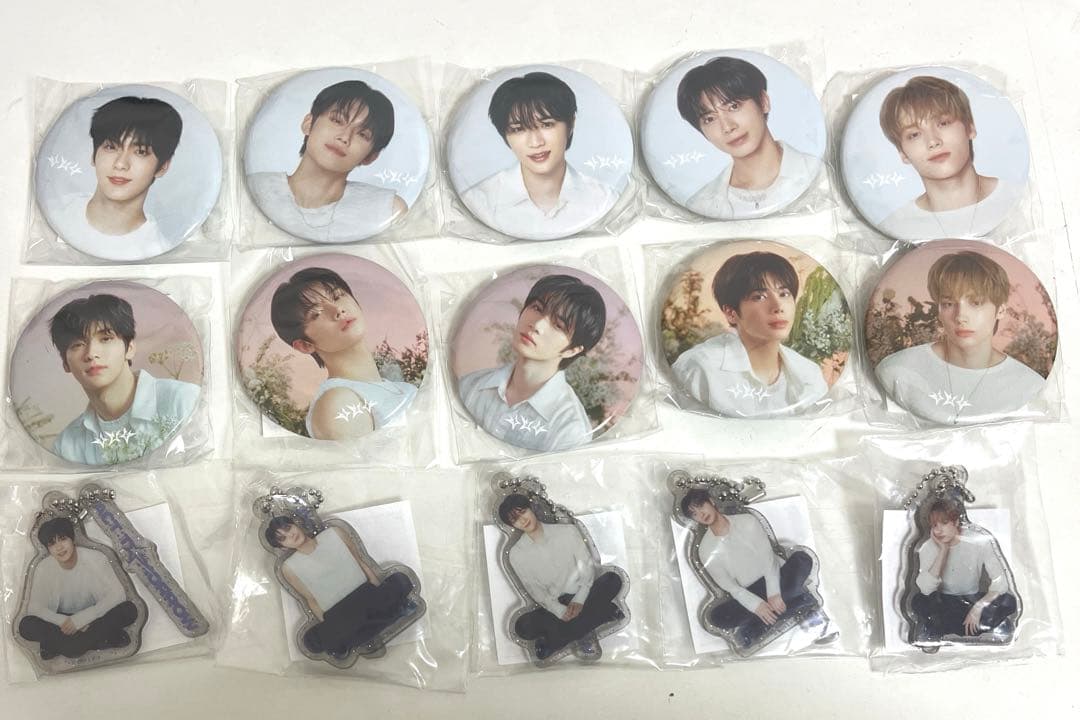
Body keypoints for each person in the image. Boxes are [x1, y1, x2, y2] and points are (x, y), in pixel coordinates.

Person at [874, 251, 1045, 424]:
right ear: (939, 310)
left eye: (976, 303)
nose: (960, 316)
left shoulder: (1029, 385)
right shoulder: (897, 371)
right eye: (949, 304)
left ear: (1000, 310)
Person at [461, 71, 618, 239]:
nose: (536, 142)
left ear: (571, 124)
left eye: (546, 125)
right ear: (504, 135)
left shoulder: (603, 198)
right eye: (518, 129)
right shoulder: (480, 200)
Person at [457, 274, 605, 451]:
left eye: (558, 325)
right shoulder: (471, 385)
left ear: (572, 350)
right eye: (537, 308)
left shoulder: (570, 430)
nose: (537, 325)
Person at [48, 293, 201, 465]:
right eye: (77, 345)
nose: (91, 354)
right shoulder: (67, 445)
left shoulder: (184, 401)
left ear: (129, 348)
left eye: (105, 339)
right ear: (65, 363)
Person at [671, 251, 828, 417]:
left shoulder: (809, 373)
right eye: (759, 297)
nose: (778, 306)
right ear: (731, 313)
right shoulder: (700, 368)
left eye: (784, 294)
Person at [247, 80, 407, 242]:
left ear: (371, 156)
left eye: (362, 134)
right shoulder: (255, 188)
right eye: (337, 120)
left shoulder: (387, 209)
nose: (344, 137)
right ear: (308, 124)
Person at [270, 266, 418, 440]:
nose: (337, 310)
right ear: (304, 345)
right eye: (316, 313)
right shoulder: (338, 403)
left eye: (337, 296)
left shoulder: (399, 388)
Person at [877, 75, 1021, 240]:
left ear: (970, 128)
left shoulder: (1019, 200)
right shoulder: (895, 228)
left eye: (943, 123)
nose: (933, 142)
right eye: (914, 134)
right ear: (902, 153)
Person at [675, 56, 820, 219]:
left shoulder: (820, 175)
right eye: (709, 119)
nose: (727, 127)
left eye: (734, 106)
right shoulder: (700, 205)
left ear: (763, 102)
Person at [680, 489, 816, 648]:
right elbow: (730, 587)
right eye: (695, 514)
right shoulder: (705, 550)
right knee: (717, 617)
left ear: (711, 501)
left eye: (701, 506)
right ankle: (797, 601)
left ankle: (758, 626)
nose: (701, 514)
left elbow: (768, 559)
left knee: (802, 559)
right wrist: (756, 605)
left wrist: (774, 593)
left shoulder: (747, 521)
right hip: (751, 592)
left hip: (778, 577)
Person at [266, 516, 417, 659]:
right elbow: (310, 598)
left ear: (296, 523)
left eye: (288, 528)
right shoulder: (289, 567)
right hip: (341, 613)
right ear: (282, 547)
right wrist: (330, 624)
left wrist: (377, 587)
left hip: (366, 593)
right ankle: (394, 612)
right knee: (311, 641)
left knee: (401, 581)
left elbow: (360, 560)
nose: (291, 535)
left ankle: (363, 631)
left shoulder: (334, 533)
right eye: (283, 538)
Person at [499, 494, 624, 660]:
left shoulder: (567, 531)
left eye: (522, 512)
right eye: (515, 519)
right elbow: (535, 591)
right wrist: (560, 611)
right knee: (522, 627)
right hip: (555, 607)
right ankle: (604, 613)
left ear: (531, 508)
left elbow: (586, 567)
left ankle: (554, 642)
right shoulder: (517, 554)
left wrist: (579, 600)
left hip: (585, 594)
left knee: (613, 580)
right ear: (512, 525)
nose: (522, 520)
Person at [56, 96, 182, 259]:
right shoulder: (60, 211)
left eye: (141, 151)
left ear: (163, 166)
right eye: (111, 147)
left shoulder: (156, 249)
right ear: (94, 155)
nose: (121, 164)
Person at [17, 517, 139, 660]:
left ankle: (58, 646)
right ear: (47, 548)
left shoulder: (96, 558)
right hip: (61, 624)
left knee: (129, 610)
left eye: (63, 539)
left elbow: (118, 594)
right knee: (26, 626)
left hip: (95, 617)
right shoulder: (43, 567)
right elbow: (34, 608)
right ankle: (105, 638)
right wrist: (65, 621)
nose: (59, 547)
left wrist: (83, 618)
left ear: (72, 539)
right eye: (52, 543)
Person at [909, 498, 1018, 642]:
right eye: (935, 525)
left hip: (972, 601)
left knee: (1009, 601)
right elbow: (926, 589)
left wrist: (978, 607)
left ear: (956, 522)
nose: (939, 530)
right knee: (919, 602)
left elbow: (1001, 581)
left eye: (944, 523)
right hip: (945, 605)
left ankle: (947, 628)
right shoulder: (928, 547)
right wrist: (943, 551)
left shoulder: (979, 541)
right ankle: (951, 629)